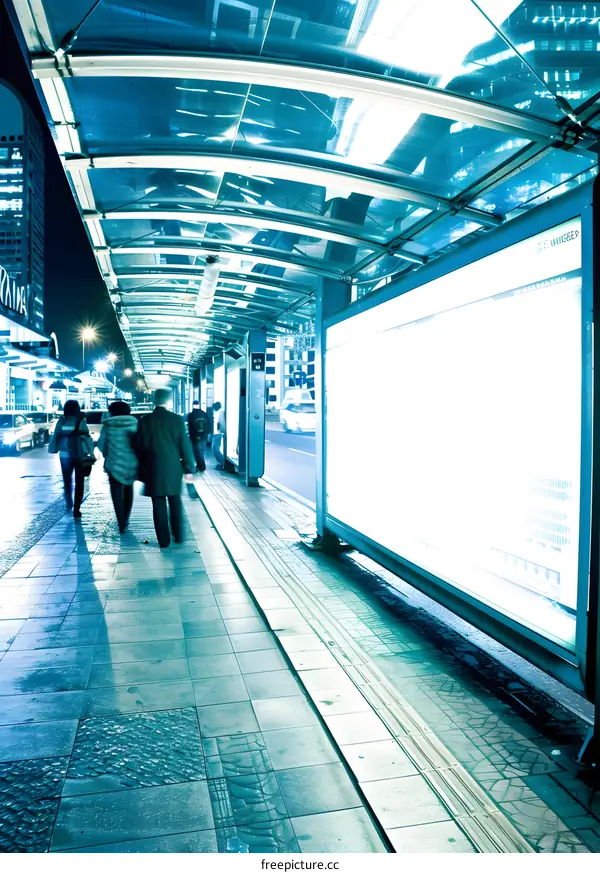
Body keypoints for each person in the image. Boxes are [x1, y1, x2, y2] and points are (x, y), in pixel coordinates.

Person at [136, 388, 196, 548]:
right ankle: (178, 535)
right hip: (173, 469)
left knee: (158, 505)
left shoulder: (145, 420)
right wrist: (189, 466)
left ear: (154, 400)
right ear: (168, 401)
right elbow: (185, 445)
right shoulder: (176, 420)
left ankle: (163, 541)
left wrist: (141, 469)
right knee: (175, 502)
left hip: (153, 468)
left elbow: (140, 447)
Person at [96, 400, 139, 533]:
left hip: (114, 464)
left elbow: (101, 444)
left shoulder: (109, 426)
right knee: (128, 490)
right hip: (132, 463)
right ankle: (126, 518)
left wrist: (107, 453)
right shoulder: (135, 424)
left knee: (116, 494)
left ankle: (121, 522)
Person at [48, 399, 90, 518]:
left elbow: (56, 435)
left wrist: (53, 448)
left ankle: (68, 501)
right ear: (77, 409)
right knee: (79, 481)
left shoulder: (62, 421)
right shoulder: (80, 420)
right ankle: (77, 508)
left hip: (65, 454)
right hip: (79, 454)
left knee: (67, 481)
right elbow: (85, 435)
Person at [187, 400, 209, 473]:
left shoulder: (191, 415)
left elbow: (190, 427)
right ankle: (200, 466)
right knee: (200, 451)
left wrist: (191, 436)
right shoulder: (204, 414)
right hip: (203, 437)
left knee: (196, 452)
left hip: (194, 437)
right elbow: (208, 425)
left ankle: (201, 466)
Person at [212, 401, 225, 470]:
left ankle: (223, 463)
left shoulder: (220, 412)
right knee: (215, 448)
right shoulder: (218, 412)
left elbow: (221, 423)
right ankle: (222, 463)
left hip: (218, 433)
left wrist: (221, 431)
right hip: (217, 433)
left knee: (215, 449)